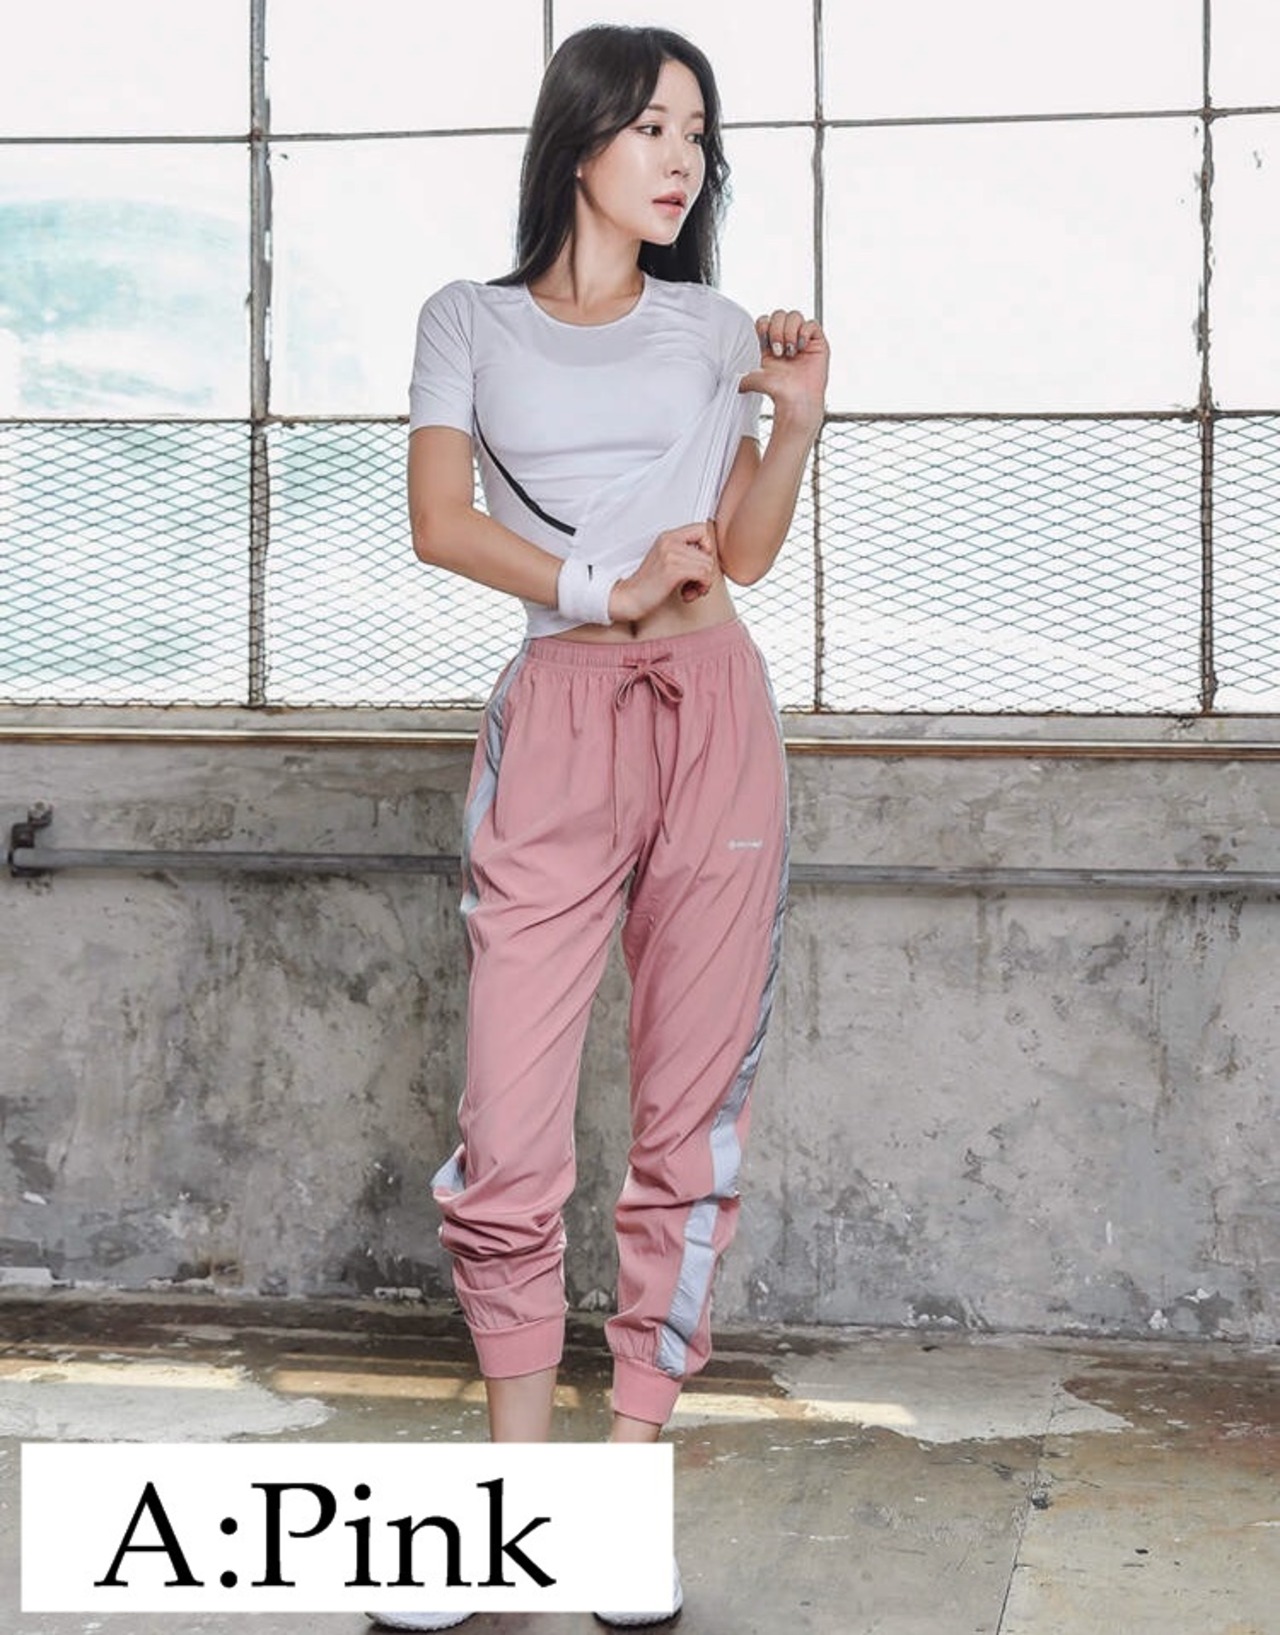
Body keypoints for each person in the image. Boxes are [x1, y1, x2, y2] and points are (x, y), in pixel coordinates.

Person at [371, 22, 827, 1632]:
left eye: (698, 131)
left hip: (715, 716)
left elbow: (741, 556)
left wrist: (793, 422)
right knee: (508, 1138)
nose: (682, 156)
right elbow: (441, 522)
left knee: (686, 1131)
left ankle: (620, 1509)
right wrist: (599, 588)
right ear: (577, 140)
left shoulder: (715, 329)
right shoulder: (468, 320)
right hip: (559, 720)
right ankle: (512, 1522)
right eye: (650, 126)